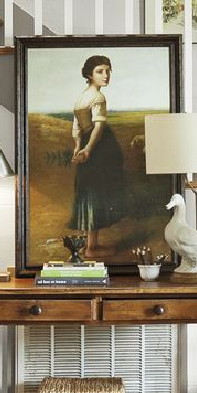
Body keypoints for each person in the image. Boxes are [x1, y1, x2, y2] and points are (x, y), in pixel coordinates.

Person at [69, 55, 124, 259]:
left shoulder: (81, 97)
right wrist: (88, 149)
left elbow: (76, 127)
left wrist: (78, 146)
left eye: (108, 70)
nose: (106, 75)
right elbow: (98, 128)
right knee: (96, 194)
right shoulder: (98, 98)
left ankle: (89, 245)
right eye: (100, 71)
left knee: (89, 192)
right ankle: (91, 248)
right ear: (89, 75)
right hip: (99, 149)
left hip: (86, 145)